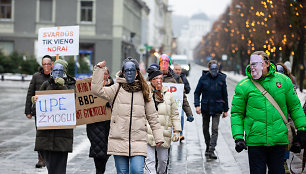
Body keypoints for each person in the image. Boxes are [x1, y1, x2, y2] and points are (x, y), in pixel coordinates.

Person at [231, 51, 306, 174]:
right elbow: (237, 113)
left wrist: (302, 130)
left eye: (257, 64)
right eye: (252, 64)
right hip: (255, 142)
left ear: (267, 63)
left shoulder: (283, 81)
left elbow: (295, 107)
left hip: (278, 140)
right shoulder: (243, 86)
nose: (253, 67)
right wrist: (238, 137)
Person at [91, 57, 164, 174]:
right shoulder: (116, 89)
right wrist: (99, 70)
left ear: (137, 73)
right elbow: (96, 90)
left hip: (138, 140)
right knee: (122, 172)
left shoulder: (145, 91)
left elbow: (152, 116)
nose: (129, 73)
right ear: (123, 72)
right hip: (118, 140)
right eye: (127, 71)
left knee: (137, 171)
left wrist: (158, 137)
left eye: (132, 70)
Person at [33, 59, 73, 174]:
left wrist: (62, 87)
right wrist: (35, 101)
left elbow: (72, 102)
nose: (57, 73)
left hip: (62, 136)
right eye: (55, 70)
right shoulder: (46, 84)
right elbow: (37, 107)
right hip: (46, 135)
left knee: (59, 169)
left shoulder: (70, 84)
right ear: (52, 71)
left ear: (64, 72)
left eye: (60, 70)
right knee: (51, 167)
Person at [145, 67, 181, 174]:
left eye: (160, 78)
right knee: (149, 161)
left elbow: (174, 114)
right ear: (151, 80)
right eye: (156, 78)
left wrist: (177, 131)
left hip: (164, 133)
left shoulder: (169, 95)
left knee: (163, 161)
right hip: (148, 133)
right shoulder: (145, 94)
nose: (159, 81)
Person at [194, 60, 228, 159]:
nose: (214, 71)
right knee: (205, 129)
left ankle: (211, 150)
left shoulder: (222, 79)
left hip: (217, 108)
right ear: (209, 69)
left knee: (215, 129)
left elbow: (224, 95)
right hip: (206, 107)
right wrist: (197, 105)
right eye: (212, 69)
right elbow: (197, 93)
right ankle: (208, 146)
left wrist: (226, 110)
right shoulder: (203, 78)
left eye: (216, 69)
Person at [157, 54, 194, 141]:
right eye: (162, 62)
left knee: (166, 141)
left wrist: (189, 113)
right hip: (156, 114)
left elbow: (182, 97)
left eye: (166, 62)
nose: (164, 65)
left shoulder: (176, 78)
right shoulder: (153, 77)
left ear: (169, 64)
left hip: (169, 114)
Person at [24, 55, 53, 168]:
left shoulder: (55, 77)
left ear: (52, 65)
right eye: (44, 64)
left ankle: (49, 157)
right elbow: (30, 93)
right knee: (40, 135)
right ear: (42, 65)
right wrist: (28, 111)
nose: (46, 66)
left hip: (52, 112)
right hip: (40, 112)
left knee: (50, 135)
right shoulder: (36, 77)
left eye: (48, 64)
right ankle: (41, 158)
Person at [86, 67, 114, 174]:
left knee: (106, 155)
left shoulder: (114, 88)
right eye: (100, 73)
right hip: (95, 127)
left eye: (105, 73)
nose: (103, 76)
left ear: (108, 75)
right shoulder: (90, 89)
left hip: (109, 127)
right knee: (98, 158)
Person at [172, 63, 191, 143]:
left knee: (181, 117)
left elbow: (188, 89)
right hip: (170, 102)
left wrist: (183, 88)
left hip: (179, 102)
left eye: (179, 70)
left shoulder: (183, 78)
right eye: (176, 69)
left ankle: (181, 133)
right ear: (173, 70)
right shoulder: (170, 77)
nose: (177, 71)